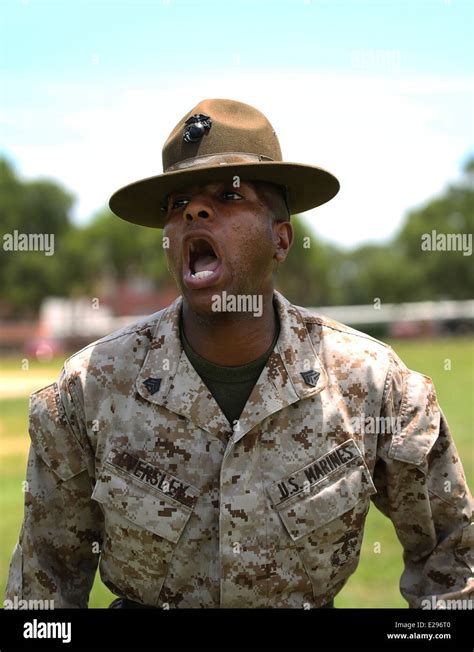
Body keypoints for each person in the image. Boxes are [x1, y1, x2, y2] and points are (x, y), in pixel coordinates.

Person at [5, 99, 473, 609]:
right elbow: (43, 590)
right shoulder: (90, 389)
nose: (194, 211)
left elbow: (452, 560)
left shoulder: (375, 387)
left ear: (281, 239)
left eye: (229, 196)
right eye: (178, 202)